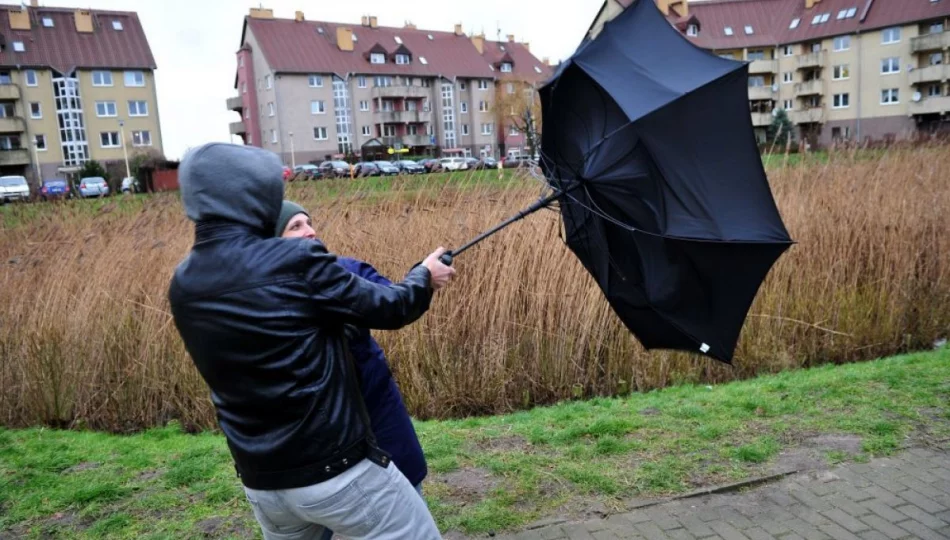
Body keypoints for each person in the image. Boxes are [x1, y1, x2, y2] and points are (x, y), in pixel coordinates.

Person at [168, 143, 454, 540]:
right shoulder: (295, 261)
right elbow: (391, 307)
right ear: (254, 197)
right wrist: (423, 274)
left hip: (263, 482)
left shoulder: (184, 283)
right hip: (337, 471)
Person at [276, 201, 429, 540]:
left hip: (375, 408)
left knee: (406, 490)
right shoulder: (269, 294)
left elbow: (394, 299)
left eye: (309, 223)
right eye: (296, 226)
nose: (310, 230)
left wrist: (423, 274)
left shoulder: (345, 270)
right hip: (321, 436)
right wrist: (426, 274)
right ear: (273, 240)